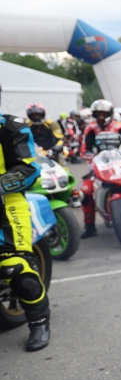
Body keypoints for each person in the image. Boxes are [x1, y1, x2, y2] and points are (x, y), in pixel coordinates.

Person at [0, 113, 50, 351]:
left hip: (6, 207)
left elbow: (28, 169)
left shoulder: (10, 126)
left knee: (15, 267)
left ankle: (39, 322)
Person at [79, 100, 121, 239]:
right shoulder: (90, 129)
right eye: (97, 114)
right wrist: (92, 157)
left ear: (110, 114)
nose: (100, 117)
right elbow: (84, 150)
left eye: (103, 114)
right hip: (99, 167)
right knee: (85, 191)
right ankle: (89, 226)